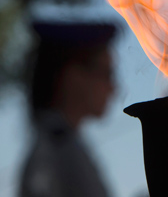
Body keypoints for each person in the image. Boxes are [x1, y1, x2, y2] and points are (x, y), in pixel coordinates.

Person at [19, 21, 118, 197]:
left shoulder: (62, 143)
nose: (113, 87)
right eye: (106, 73)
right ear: (74, 75)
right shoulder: (56, 151)